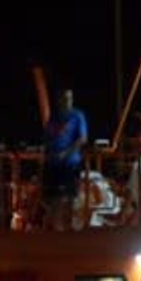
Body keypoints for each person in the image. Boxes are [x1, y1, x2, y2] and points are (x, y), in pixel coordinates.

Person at [43, 89, 89, 231]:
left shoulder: (77, 116)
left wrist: (66, 153)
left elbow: (82, 138)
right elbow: (49, 137)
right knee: (52, 197)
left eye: (69, 98)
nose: (67, 101)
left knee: (68, 196)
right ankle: (55, 228)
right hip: (53, 162)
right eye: (64, 98)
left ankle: (68, 228)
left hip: (70, 163)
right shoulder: (54, 117)